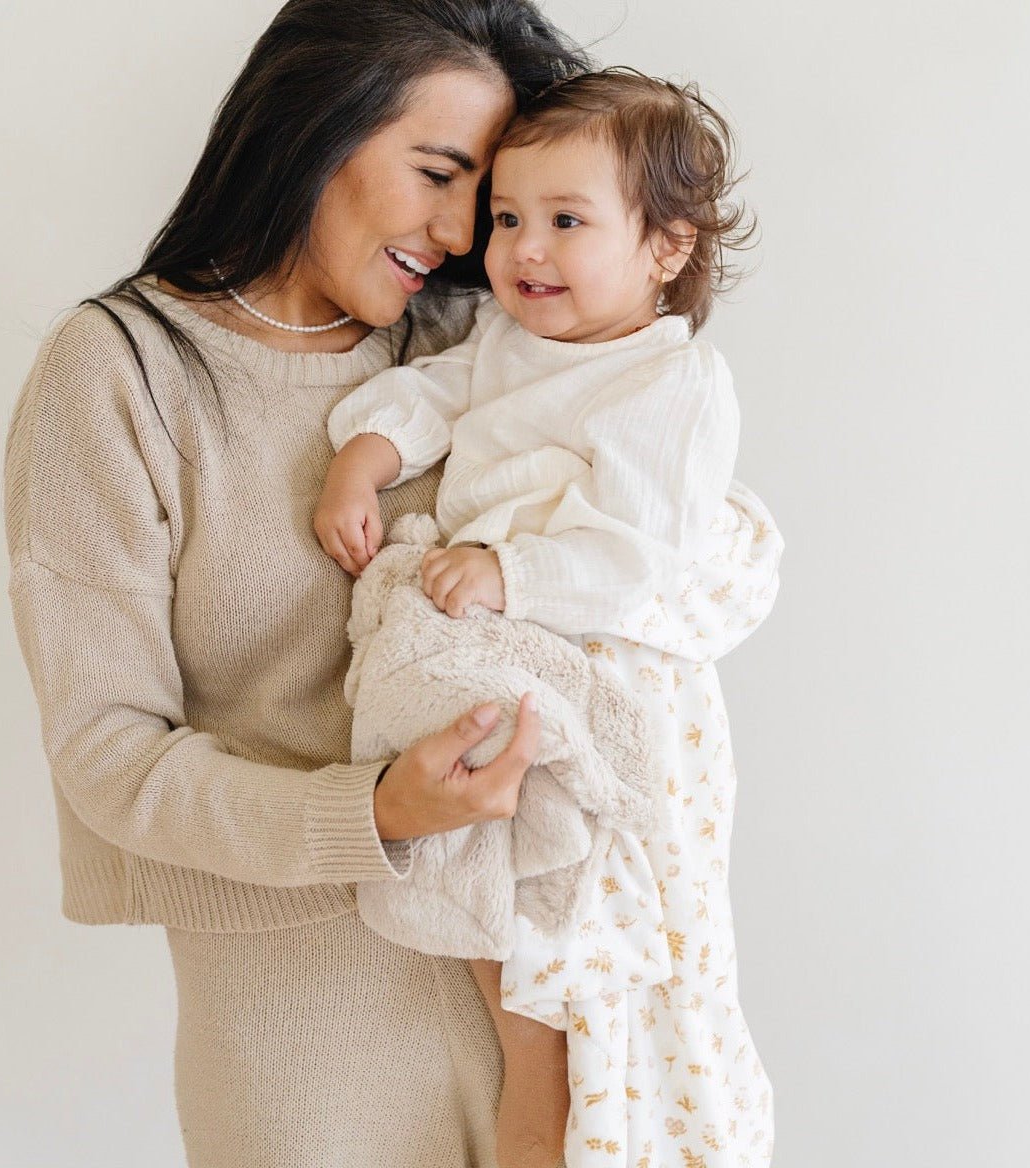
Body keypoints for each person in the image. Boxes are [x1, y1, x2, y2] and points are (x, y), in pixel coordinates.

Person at [3, 1, 776, 1162]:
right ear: (315, 127)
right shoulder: (121, 375)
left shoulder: (478, 335)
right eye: (442, 174)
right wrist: (374, 815)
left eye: (494, 195)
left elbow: (712, 551)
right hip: (306, 1037)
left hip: (561, 1013)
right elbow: (109, 757)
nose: (471, 230)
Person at [317, 70, 777, 1168]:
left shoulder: (671, 382)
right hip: (505, 658)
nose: (524, 248)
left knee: (599, 978)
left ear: (665, 247)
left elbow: (639, 554)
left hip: (615, 675)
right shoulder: (499, 341)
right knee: (516, 976)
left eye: (566, 221)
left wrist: (511, 571)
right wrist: (361, 460)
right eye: (510, 218)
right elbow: (427, 399)